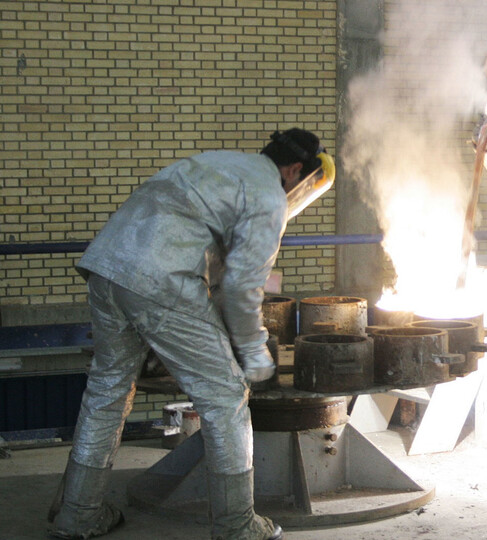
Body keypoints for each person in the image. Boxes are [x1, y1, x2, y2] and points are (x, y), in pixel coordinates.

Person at [47, 128, 333, 540]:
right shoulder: (269, 194)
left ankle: (77, 515)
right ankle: (237, 527)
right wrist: (254, 353)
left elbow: (212, 263)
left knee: (108, 390)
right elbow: (241, 286)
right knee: (227, 397)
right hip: (161, 278)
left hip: (108, 267)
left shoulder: (221, 163)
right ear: (294, 171)